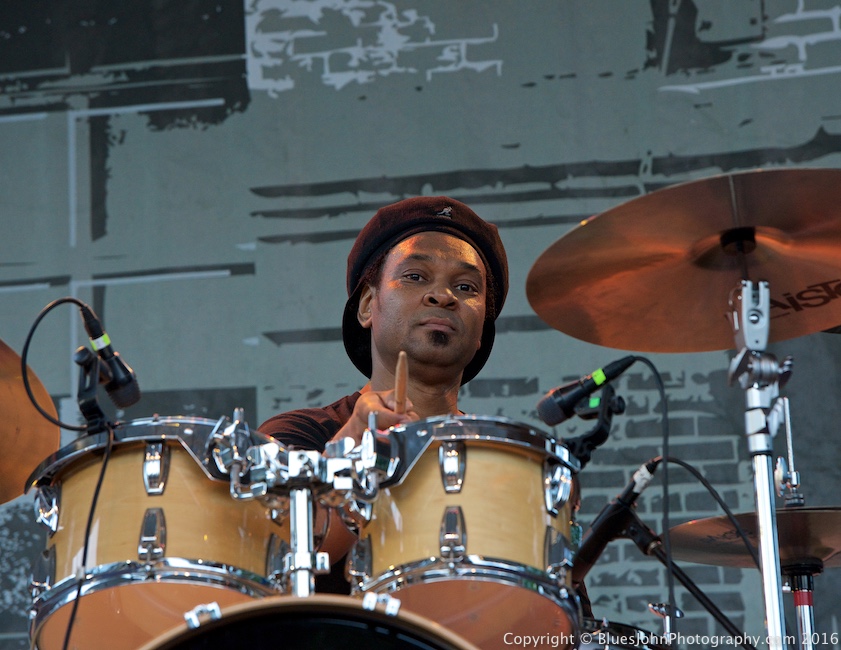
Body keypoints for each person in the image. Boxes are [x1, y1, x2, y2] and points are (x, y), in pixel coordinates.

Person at [258, 195, 509, 592]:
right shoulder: (301, 436)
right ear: (368, 305)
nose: (443, 296)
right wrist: (356, 441)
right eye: (415, 276)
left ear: (482, 333)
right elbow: (277, 556)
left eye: (465, 286)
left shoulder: (508, 467)